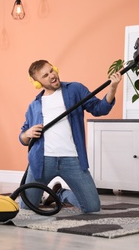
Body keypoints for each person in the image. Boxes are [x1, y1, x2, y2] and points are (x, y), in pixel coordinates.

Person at [19, 59, 123, 213]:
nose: (52, 75)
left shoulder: (75, 89)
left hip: (72, 159)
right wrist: (27, 134)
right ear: (37, 83)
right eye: (45, 75)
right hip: (42, 161)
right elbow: (22, 137)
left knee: (92, 207)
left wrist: (113, 88)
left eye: (51, 70)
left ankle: (60, 194)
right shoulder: (34, 106)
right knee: (26, 207)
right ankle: (48, 195)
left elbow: (99, 109)